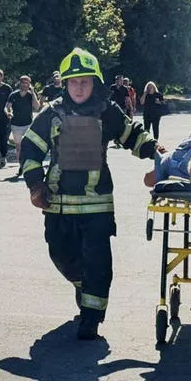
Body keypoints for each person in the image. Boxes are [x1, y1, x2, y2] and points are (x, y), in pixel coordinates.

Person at [19, 48, 164, 340]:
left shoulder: (106, 110)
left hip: (97, 207)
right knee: (61, 256)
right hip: (57, 205)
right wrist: (35, 185)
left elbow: (131, 134)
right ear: (66, 84)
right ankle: (82, 285)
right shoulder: (52, 113)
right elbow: (31, 148)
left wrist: (155, 149)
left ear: (94, 82)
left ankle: (91, 318)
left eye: (84, 81)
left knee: (97, 263)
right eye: (74, 82)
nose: (79, 87)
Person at [5, 75, 39, 176]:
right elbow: (6, 107)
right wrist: (8, 112)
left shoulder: (30, 95)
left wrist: (33, 92)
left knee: (28, 145)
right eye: (23, 82)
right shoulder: (13, 95)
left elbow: (36, 107)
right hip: (16, 124)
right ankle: (21, 166)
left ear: (29, 84)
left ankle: (29, 166)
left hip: (28, 124)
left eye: (27, 83)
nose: (24, 84)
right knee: (18, 147)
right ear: (19, 83)